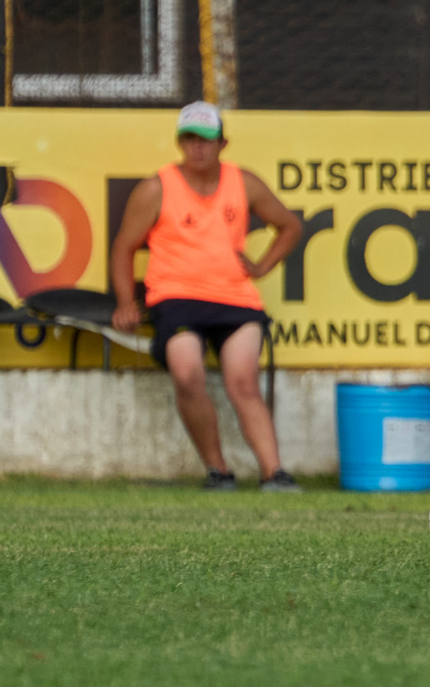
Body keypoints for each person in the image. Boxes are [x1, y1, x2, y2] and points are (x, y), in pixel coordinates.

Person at [111, 102, 305, 492]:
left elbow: (289, 226)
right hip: (175, 297)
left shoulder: (244, 182)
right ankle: (218, 471)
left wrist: (262, 266)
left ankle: (274, 473)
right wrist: (124, 302)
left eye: (206, 140)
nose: (198, 147)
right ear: (180, 142)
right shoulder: (157, 187)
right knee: (187, 372)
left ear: (223, 143)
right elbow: (123, 247)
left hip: (236, 299)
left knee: (243, 381)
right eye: (190, 139)